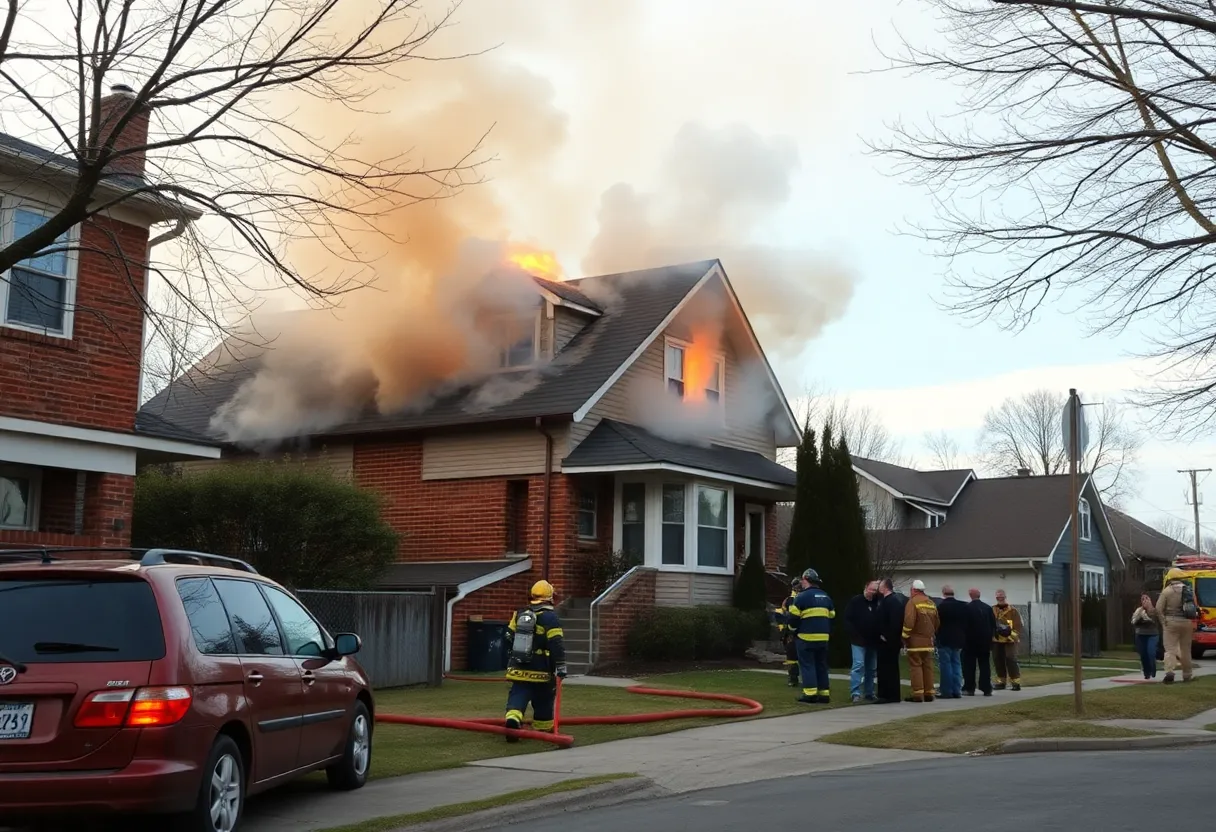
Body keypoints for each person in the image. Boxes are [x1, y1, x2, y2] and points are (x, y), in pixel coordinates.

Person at [503, 580, 567, 740]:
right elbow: (556, 644)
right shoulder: (551, 618)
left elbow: (507, 637)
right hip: (541, 669)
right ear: (549, 597)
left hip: (519, 667)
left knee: (518, 694)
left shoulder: (519, 614)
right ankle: (542, 727)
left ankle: (513, 718)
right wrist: (560, 665)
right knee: (544, 698)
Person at [787, 568, 835, 704]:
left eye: (802, 580)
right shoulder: (826, 596)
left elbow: (793, 619)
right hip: (823, 638)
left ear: (806, 580)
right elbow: (832, 615)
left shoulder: (801, 597)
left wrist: (791, 630)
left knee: (807, 665)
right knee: (821, 665)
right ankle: (824, 694)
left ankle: (810, 694)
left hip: (806, 638)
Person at [901, 580, 940, 702]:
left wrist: (905, 636)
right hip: (928, 641)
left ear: (913, 590)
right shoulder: (931, 603)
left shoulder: (912, 602)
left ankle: (918, 694)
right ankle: (929, 693)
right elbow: (937, 622)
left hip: (915, 642)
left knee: (915, 666)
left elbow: (909, 621)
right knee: (927, 666)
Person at [843, 580, 880, 703]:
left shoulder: (877, 602)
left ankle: (869, 692)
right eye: (871, 589)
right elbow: (847, 619)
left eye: (875, 590)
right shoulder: (856, 601)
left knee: (871, 668)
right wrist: (854, 634)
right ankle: (855, 692)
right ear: (866, 588)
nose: (873, 592)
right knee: (858, 665)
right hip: (858, 640)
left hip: (873, 641)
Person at [1156, 570, 1196, 684]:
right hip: (1187, 622)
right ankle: (1187, 675)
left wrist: (1163, 622)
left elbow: (1158, 609)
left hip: (1171, 621)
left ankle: (1170, 672)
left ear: (1170, 578)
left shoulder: (1167, 591)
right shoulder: (1188, 590)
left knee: (1170, 649)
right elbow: (1194, 607)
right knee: (1186, 650)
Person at [875, 578, 906, 704]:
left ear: (886, 587)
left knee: (886, 668)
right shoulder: (891, 601)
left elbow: (895, 622)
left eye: (880, 586)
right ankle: (891, 694)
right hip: (891, 640)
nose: (879, 588)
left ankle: (887, 695)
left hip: (888, 642)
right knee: (890, 667)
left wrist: (886, 635)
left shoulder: (890, 602)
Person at [935, 585, 967, 699]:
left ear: (943, 593)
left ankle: (946, 691)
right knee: (957, 664)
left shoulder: (940, 607)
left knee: (945, 665)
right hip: (958, 639)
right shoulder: (962, 607)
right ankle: (957, 690)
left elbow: (936, 623)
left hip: (944, 639)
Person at [962, 588, 995, 697]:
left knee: (969, 665)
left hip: (970, 641)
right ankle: (986, 688)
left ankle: (969, 688)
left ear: (970, 595)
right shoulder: (987, 608)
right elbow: (993, 625)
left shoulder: (967, 608)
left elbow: (964, 626)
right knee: (985, 665)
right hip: (985, 641)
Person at [992, 589, 1023, 691]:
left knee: (1011, 659)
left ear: (1005, 597)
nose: (1000, 598)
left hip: (1010, 641)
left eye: (1001, 596)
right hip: (996, 640)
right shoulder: (992, 610)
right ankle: (1001, 682)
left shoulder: (1013, 611)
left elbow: (1018, 626)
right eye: (998, 596)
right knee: (998, 660)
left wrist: (1011, 635)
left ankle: (1016, 682)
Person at [774, 577, 802, 687]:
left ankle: (795, 679)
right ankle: (793, 678)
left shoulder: (796, 599)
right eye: (797, 587)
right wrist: (783, 628)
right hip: (792, 634)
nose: (798, 589)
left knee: (795, 657)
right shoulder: (790, 600)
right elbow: (779, 613)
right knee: (792, 658)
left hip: (796, 633)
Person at [1131, 593, 1163, 680]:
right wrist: (1139, 619)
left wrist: (1148, 613)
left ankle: (1153, 669)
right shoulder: (1139, 611)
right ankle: (1146, 672)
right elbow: (1133, 622)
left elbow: (1158, 621)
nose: (1145, 601)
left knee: (1151, 652)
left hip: (1152, 634)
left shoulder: (1155, 611)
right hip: (1140, 634)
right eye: (1143, 599)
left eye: (1146, 599)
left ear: (1150, 600)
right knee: (1143, 654)